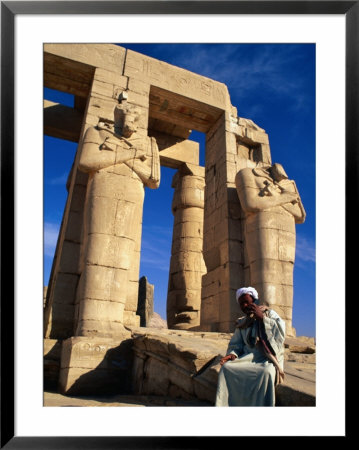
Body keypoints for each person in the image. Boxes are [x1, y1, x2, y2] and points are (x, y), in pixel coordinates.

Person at [215, 287, 285, 406]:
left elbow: (280, 335)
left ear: (255, 301)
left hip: (266, 357)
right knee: (226, 369)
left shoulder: (270, 314)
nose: (245, 305)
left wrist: (262, 319)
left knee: (266, 372)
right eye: (242, 303)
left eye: (247, 301)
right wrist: (232, 354)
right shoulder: (242, 322)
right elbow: (236, 343)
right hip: (246, 357)